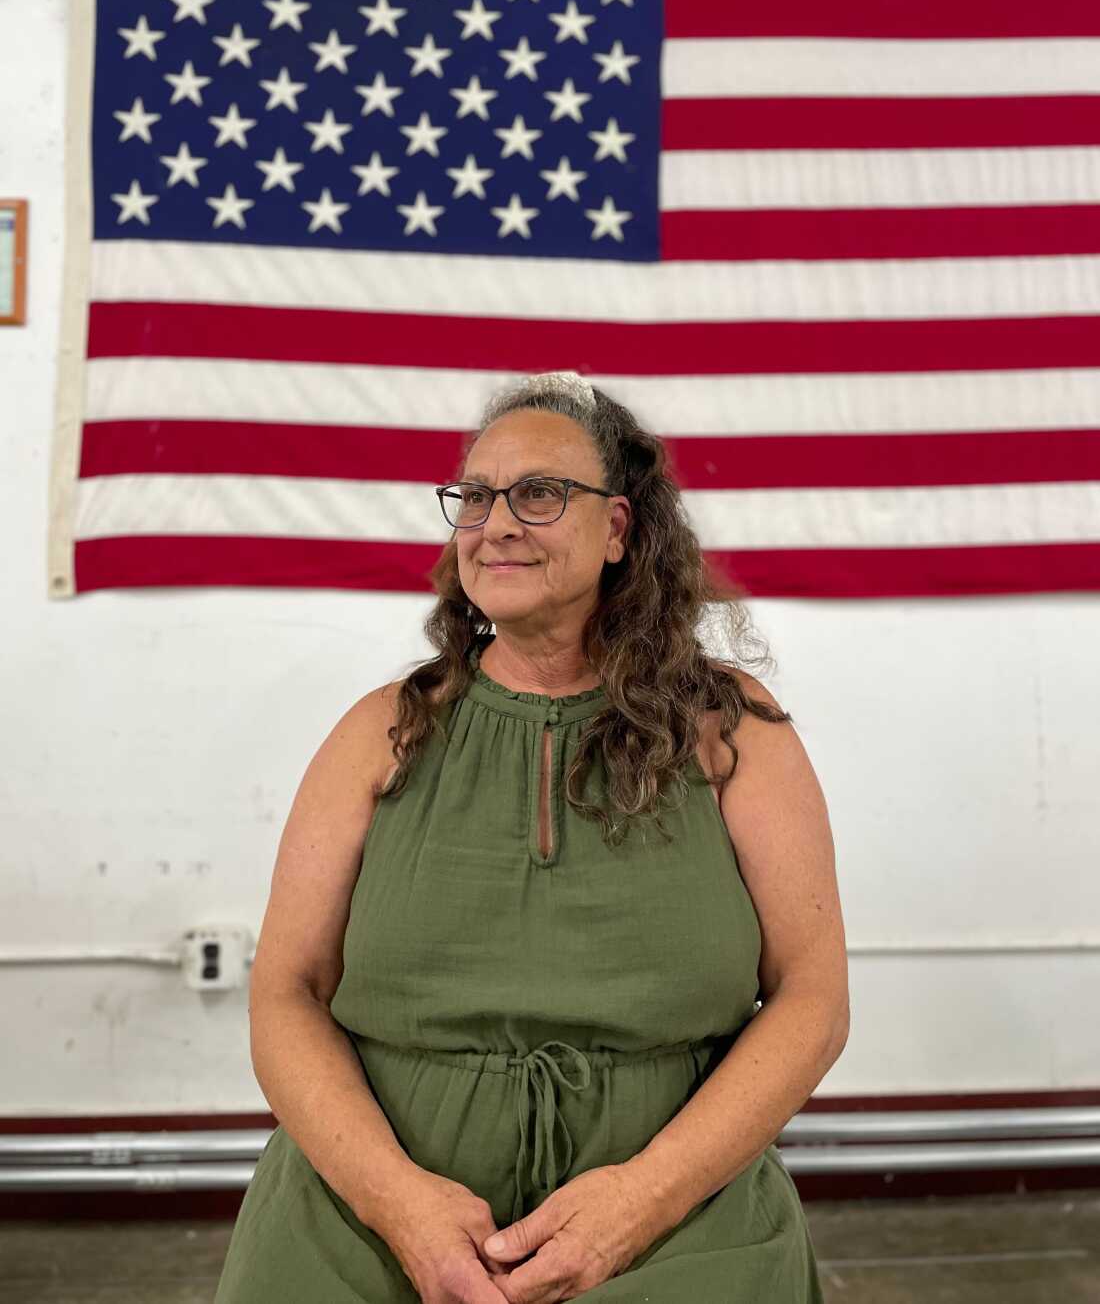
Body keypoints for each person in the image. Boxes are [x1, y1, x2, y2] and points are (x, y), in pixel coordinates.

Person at [214, 370, 848, 1303]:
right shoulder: (377, 733)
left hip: (677, 1220)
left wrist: (643, 1198)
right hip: (373, 1214)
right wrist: (402, 1207)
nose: (496, 522)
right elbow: (285, 996)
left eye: (540, 494)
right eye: (474, 496)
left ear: (621, 530)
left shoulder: (728, 728)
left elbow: (813, 1000)